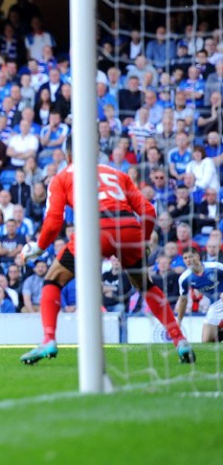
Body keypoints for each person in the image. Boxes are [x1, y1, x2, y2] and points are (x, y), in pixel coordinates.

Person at [20, 141, 194, 364]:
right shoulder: (117, 173)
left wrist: (39, 247)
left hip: (94, 229)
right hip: (129, 229)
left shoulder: (62, 177)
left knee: (52, 281)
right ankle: (180, 340)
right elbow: (149, 210)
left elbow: (54, 222)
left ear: (67, 154)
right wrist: (142, 241)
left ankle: (49, 339)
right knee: (145, 285)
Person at [176, 248, 223, 343]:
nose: (188, 260)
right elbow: (183, 301)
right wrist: (179, 322)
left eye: (190, 256)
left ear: (197, 256)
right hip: (215, 304)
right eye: (185, 258)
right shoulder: (184, 279)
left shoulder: (215, 266)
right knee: (206, 341)